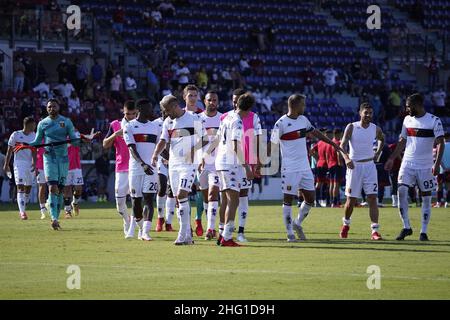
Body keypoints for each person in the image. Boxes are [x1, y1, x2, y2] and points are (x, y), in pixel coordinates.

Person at [271, 94, 349, 242]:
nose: (304, 107)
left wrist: (333, 144)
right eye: (303, 105)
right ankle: (289, 233)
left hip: (305, 167)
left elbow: (316, 133)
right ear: (295, 106)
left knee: (310, 199)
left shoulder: (303, 120)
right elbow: (272, 145)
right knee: (288, 199)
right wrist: (260, 164)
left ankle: (297, 223)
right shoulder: (280, 123)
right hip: (289, 168)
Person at [14, 100, 98, 230]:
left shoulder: (66, 122)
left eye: (53, 106)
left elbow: (74, 142)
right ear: (46, 109)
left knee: (60, 190)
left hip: (63, 160)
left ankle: (55, 212)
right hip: (49, 159)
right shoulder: (43, 123)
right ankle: (54, 219)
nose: (51, 108)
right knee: (52, 188)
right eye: (49, 107)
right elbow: (37, 141)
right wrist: (25, 145)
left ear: (58, 107)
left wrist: (85, 140)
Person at [385, 93, 445, 241]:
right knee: (401, 191)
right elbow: (402, 141)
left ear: (418, 105)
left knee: (426, 198)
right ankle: (406, 227)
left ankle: (423, 232)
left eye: (408, 106)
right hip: (407, 163)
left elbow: (441, 143)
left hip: (425, 166)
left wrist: (437, 164)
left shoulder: (434, 121)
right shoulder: (407, 120)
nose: (407, 109)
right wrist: (392, 158)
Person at [152, 94, 206, 245]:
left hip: (189, 164)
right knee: (179, 199)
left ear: (175, 106)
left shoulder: (193, 118)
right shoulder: (168, 122)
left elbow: (206, 138)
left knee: (182, 194)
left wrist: (194, 151)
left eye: (168, 110)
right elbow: (163, 140)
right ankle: (187, 236)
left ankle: (182, 234)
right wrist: (155, 154)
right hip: (173, 164)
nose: (166, 113)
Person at [203, 93, 256, 246]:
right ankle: (226, 237)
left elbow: (217, 139)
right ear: (248, 109)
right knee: (233, 200)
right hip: (230, 164)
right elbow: (235, 145)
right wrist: (246, 166)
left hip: (220, 162)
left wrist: (205, 156)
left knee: (226, 199)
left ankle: (222, 234)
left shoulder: (226, 118)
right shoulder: (238, 121)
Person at [339, 102, 385, 240]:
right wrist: (346, 158)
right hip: (355, 166)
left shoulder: (375, 128)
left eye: (370, 113)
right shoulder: (352, 127)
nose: (368, 115)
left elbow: (382, 139)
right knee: (351, 200)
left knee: (372, 198)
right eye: (366, 112)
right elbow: (342, 145)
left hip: (370, 166)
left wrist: (377, 153)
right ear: (360, 113)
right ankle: (346, 225)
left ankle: (375, 231)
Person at [123, 99, 160, 241]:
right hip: (136, 168)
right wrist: (142, 164)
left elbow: (159, 147)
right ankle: (138, 226)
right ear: (140, 109)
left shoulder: (155, 127)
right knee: (136, 201)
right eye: (149, 108)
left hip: (151, 168)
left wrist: (167, 156)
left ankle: (146, 232)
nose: (151, 110)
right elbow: (132, 148)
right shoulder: (130, 126)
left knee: (149, 199)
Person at [103, 100, 137, 237]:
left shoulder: (140, 125)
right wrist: (116, 134)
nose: (131, 116)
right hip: (121, 168)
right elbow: (105, 145)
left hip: (137, 167)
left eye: (133, 114)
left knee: (137, 200)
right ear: (123, 112)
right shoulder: (115, 125)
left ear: (137, 112)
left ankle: (134, 228)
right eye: (128, 114)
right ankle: (126, 220)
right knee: (119, 203)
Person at [198, 91, 222, 240]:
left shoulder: (223, 119)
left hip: (217, 164)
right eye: (209, 100)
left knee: (214, 193)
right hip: (200, 164)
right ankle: (210, 224)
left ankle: (210, 229)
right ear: (204, 101)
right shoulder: (198, 119)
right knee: (206, 198)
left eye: (215, 100)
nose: (212, 102)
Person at [3, 117, 37, 220]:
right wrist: (6, 164)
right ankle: (22, 212)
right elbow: (9, 150)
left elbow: (34, 151)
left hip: (29, 164)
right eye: (34, 124)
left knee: (28, 187)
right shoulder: (16, 135)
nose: (35, 126)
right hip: (19, 164)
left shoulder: (34, 135)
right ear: (29, 125)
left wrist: (34, 163)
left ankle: (23, 205)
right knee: (20, 186)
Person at [153, 110, 175, 232]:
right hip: (162, 159)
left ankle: (169, 222)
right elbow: (158, 142)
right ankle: (160, 219)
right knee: (162, 187)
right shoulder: (156, 123)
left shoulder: (176, 121)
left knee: (171, 191)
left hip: (175, 159)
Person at [63, 130, 84, 218]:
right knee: (67, 189)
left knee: (78, 189)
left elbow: (80, 141)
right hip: (65, 166)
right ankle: (67, 211)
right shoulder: (60, 135)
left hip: (76, 166)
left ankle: (74, 203)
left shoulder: (76, 133)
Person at [325, 128, 345, 207]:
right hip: (336, 165)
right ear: (338, 134)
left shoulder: (329, 143)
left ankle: (331, 201)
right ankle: (335, 202)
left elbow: (326, 155)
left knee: (331, 184)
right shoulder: (338, 143)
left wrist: (328, 163)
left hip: (330, 165)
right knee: (336, 184)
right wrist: (340, 163)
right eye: (341, 134)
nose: (341, 135)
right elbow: (338, 154)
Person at [35, 146, 48, 219]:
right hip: (40, 167)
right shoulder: (38, 139)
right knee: (42, 187)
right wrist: (35, 167)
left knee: (53, 187)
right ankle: (42, 210)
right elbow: (33, 154)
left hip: (51, 166)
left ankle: (49, 204)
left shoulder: (53, 138)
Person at [440, 132, 450, 208]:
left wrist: (444, 167)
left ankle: (441, 202)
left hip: (443, 170)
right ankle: (447, 202)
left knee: (442, 187)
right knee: (449, 187)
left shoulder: (440, 146)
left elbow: (439, 159)